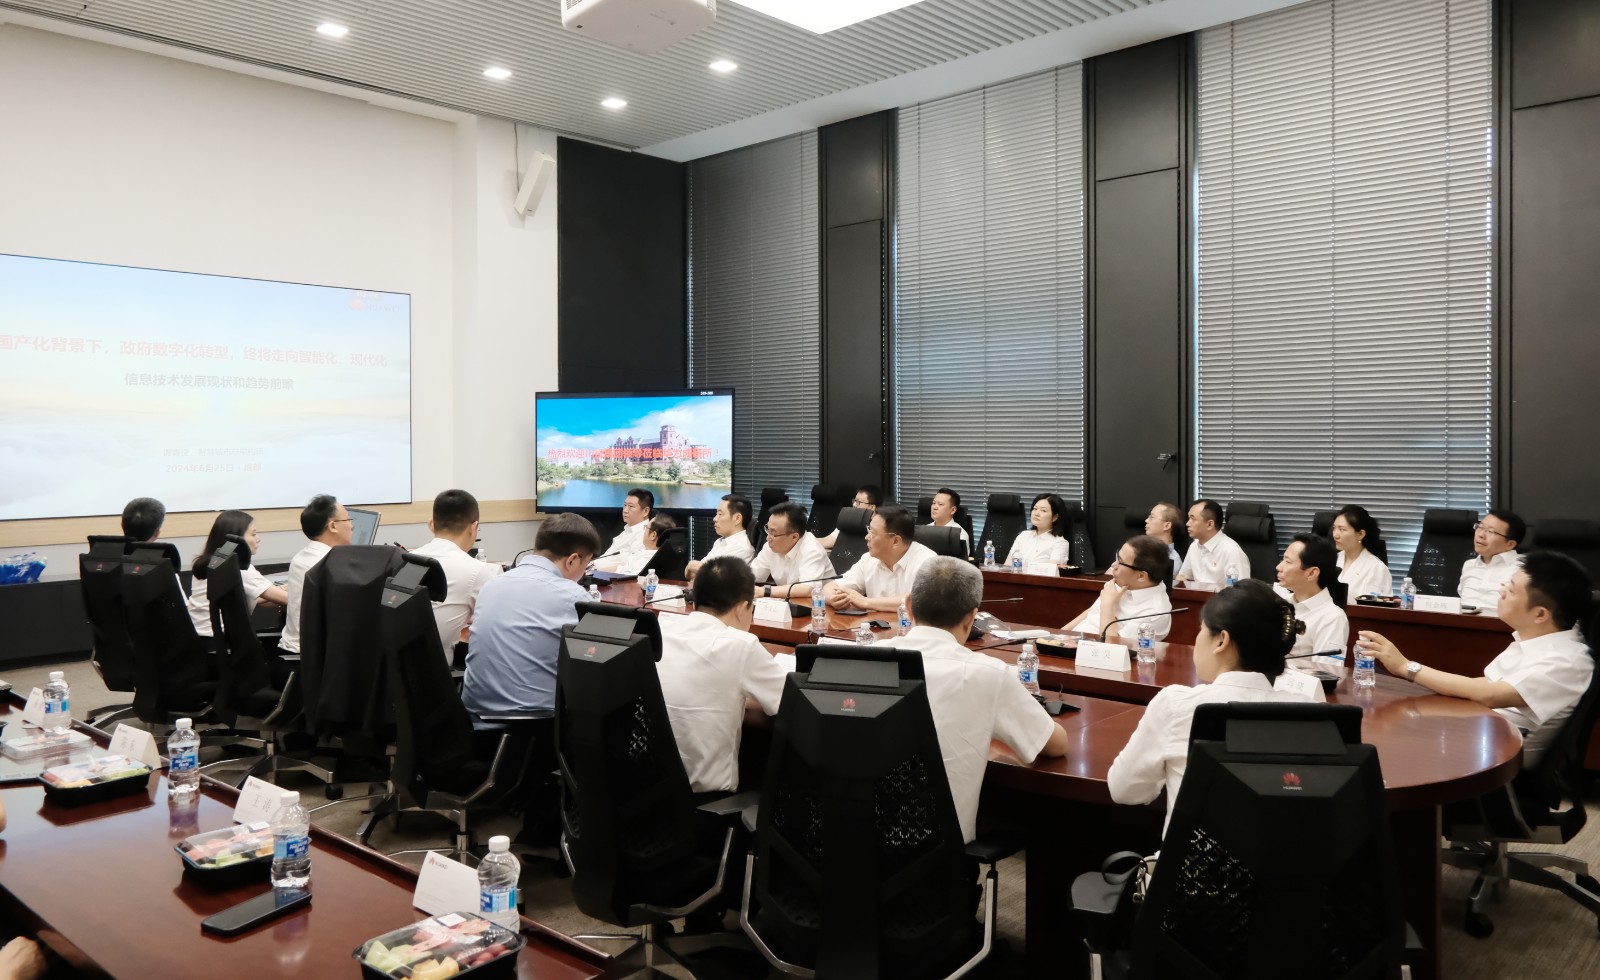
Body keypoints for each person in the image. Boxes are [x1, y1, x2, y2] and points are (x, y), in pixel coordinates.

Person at [1107, 579, 1315, 835]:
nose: (1198, 638)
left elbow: (1123, 790)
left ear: (1221, 641)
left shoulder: (1177, 704)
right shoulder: (1310, 712)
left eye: (1201, 629)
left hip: (1193, 862)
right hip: (1284, 861)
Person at [1360, 551, 1593, 767]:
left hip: (1498, 764)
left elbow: (1489, 694)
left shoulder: (1567, 660)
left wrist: (1406, 667)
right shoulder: (1531, 642)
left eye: (1511, 589)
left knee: (1383, 749)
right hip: (1480, 736)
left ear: (1540, 614)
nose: (1501, 590)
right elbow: (1483, 685)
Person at [899, 557, 1068, 842]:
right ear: (971, 618)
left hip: (850, 845)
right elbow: (1056, 744)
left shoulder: (862, 659)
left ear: (908, 605)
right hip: (935, 851)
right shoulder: (988, 673)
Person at [655, 557, 792, 793]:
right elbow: (792, 702)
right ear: (742, 608)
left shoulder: (663, 630)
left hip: (651, 788)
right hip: (706, 797)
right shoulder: (741, 644)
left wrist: (737, 697)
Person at [461, 512, 600, 719]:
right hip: (536, 722)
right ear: (572, 560)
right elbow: (597, 658)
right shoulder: (573, 597)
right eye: (586, 565)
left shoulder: (492, 584)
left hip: (472, 715)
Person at [409, 489, 504, 660]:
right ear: (473, 527)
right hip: (440, 669)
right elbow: (499, 625)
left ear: (431, 524)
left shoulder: (408, 559)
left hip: (398, 666)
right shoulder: (476, 570)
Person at [185, 510, 289, 637]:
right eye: (253, 534)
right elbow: (288, 599)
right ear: (237, 538)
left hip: (200, 639)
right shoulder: (239, 568)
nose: (258, 539)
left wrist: (280, 590)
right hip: (225, 641)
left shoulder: (209, 562)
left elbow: (255, 597)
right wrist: (292, 589)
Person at [278, 494, 352, 655]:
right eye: (348, 520)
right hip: (313, 657)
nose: (351, 526)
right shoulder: (328, 564)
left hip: (295, 650)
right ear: (333, 526)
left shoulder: (302, 557)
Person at [826, 505, 937, 612]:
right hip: (876, 624)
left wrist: (866, 602)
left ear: (895, 541)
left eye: (872, 533)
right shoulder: (868, 559)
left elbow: (920, 601)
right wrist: (833, 598)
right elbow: (830, 587)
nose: (866, 537)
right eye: (868, 530)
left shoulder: (927, 562)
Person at [1064, 535, 1173, 640]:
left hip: (1094, 649)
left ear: (1141, 576)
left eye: (1121, 562)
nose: (1113, 565)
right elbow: (1091, 614)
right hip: (1072, 642)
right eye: (1117, 557)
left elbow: (1111, 647)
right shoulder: (1122, 582)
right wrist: (1060, 634)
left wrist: (1108, 605)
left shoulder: (1154, 614)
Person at [1273, 534, 1348, 658]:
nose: (1279, 567)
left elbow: (1327, 669)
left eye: (1288, 561)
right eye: (1283, 560)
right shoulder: (1278, 603)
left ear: (1312, 573)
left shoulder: (1332, 618)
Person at [749, 501, 836, 599]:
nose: (767, 538)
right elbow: (752, 575)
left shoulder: (812, 550)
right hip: (790, 602)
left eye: (773, 533)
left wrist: (765, 591)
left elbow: (807, 589)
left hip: (819, 604)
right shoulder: (770, 547)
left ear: (794, 537)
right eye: (768, 530)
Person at [1459, 509, 1524, 613]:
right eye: (1480, 527)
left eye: (1490, 531)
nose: (1481, 534)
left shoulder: (1522, 570)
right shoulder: (1469, 565)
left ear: (1510, 544)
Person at [1174, 499, 1249, 588]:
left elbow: (1239, 591)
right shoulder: (1194, 546)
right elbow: (1182, 576)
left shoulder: (1232, 552)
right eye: (1188, 518)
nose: (1187, 523)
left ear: (1209, 524)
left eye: (1193, 519)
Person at [686, 492, 755, 580]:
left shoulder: (742, 547)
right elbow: (692, 574)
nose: (715, 519)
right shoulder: (720, 542)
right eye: (716, 514)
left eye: (720, 514)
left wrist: (692, 565)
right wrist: (692, 566)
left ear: (737, 518)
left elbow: (717, 578)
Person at [1331, 504, 1392, 601]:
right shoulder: (1330, 560)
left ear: (1360, 534)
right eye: (1334, 528)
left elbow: (1378, 607)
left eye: (1342, 529)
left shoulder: (1376, 568)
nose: (1335, 535)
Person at [1004, 493, 1070, 568]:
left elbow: (1051, 572)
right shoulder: (1023, 536)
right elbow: (1007, 566)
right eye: (1035, 509)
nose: (1036, 513)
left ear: (1055, 517)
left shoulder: (1060, 543)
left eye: (1043, 510)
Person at [601, 514, 676, 576]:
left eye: (646, 527)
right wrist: (596, 572)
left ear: (653, 535)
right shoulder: (651, 553)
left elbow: (628, 579)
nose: (644, 531)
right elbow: (620, 569)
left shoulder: (647, 560)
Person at [818, 484, 882, 550]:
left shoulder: (879, 527)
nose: (854, 505)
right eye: (854, 501)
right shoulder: (849, 520)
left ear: (872, 507)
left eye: (858, 502)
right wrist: (811, 540)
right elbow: (828, 541)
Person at [608, 488, 655, 558]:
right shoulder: (627, 530)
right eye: (625, 505)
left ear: (645, 511)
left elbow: (632, 563)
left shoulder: (644, 535)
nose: (625, 510)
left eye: (631, 506)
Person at [1144, 501, 1185, 578]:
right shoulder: (1139, 549)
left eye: (1152, 517)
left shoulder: (1172, 561)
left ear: (1167, 526)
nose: (1146, 520)